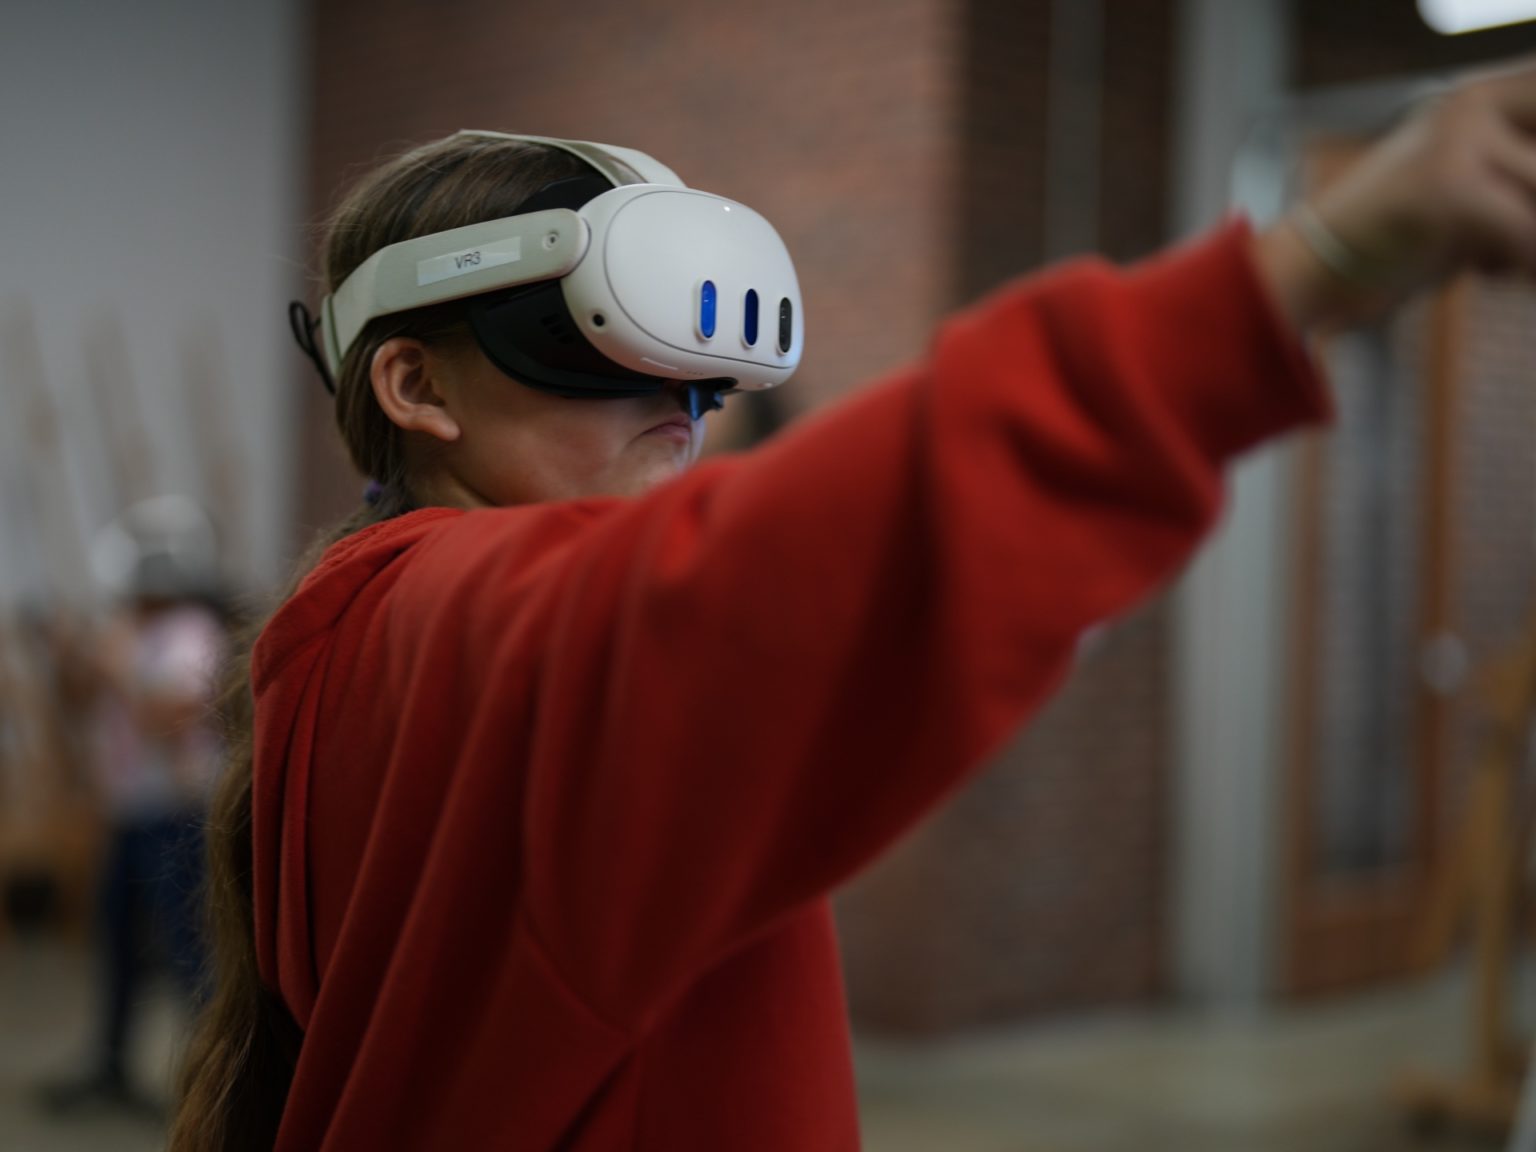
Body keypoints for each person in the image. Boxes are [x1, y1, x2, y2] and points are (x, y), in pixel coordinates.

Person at [171, 64, 1536, 1152]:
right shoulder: (464, 636)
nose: (686, 417)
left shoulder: (350, 644)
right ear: (416, 386)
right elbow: (801, 566)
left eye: (705, 384)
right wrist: (1314, 267)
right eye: (604, 349)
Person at [41, 496, 227, 1117]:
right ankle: (113, 1068)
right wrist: (73, 662)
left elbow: (171, 721)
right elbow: (83, 706)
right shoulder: (132, 629)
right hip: (130, 812)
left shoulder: (191, 635)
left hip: (176, 815)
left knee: (186, 953)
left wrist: (118, 667)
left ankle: (218, 1085)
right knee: (117, 943)